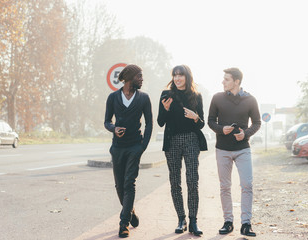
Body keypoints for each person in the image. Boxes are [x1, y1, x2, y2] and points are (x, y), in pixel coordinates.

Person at [208, 67, 261, 237]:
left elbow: (257, 123)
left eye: (226, 79)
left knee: (247, 185)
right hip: (222, 149)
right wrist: (220, 129)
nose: (223, 82)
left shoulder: (250, 100)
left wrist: (245, 133)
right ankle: (228, 222)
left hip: (243, 150)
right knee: (225, 187)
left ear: (236, 81)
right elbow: (210, 121)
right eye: (223, 79)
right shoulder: (217, 98)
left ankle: (246, 224)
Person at [157, 65, 207, 236]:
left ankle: (193, 221)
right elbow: (160, 122)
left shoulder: (196, 96)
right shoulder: (166, 95)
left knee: (192, 180)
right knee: (175, 182)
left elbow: (201, 124)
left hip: (191, 140)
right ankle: (181, 219)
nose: (177, 78)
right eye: (175, 75)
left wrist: (196, 117)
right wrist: (165, 109)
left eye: (181, 75)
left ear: (187, 77)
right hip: (172, 142)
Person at [104, 64, 153, 238]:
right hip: (117, 148)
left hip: (134, 147)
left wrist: (142, 146)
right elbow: (107, 121)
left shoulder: (144, 98)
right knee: (119, 186)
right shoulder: (113, 97)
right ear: (130, 78)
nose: (142, 79)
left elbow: (149, 124)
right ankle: (130, 211)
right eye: (139, 76)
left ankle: (123, 223)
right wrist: (113, 128)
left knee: (129, 183)